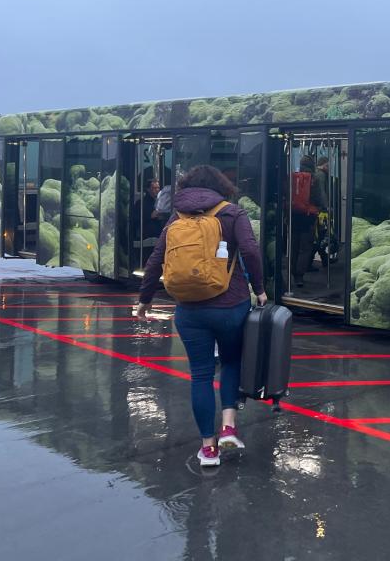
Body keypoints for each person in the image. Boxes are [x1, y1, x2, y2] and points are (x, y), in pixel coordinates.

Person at [136, 165, 265, 467]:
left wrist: (144, 300)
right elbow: (250, 250)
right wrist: (259, 289)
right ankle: (229, 426)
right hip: (231, 306)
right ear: (221, 187)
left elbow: (156, 259)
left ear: (188, 187)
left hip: (189, 309)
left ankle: (209, 449)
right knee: (232, 360)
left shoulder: (177, 215)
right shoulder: (233, 213)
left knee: (201, 375)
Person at [290, 155, 326, 287]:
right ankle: (299, 275)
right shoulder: (314, 178)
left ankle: (292, 270)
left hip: (293, 215)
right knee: (305, 247)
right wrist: (324, 207)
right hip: (308, 215)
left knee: (294, 244)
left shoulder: (294, 177)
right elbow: (318, 198)